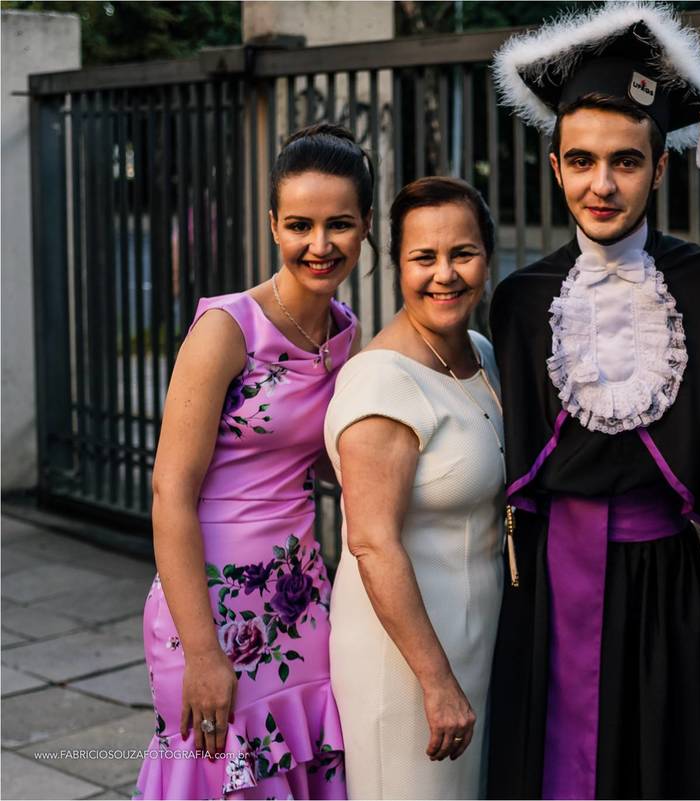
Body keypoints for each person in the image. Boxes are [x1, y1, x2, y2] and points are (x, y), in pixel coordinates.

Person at [486, 4, 700, 798]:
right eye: (582, 161)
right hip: (551, 584)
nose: (602, 184)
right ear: (557, 164)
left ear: (661, 168)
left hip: (665, 580)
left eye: (626, 162)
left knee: (660, 761)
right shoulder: (522, 300)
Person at [137, 123, 373, 799]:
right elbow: (169, 492)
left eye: (340, 225)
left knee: (299, 764)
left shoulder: (346, 332)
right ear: (273, 224)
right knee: (218, 775)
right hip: (208, 603)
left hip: (298, 598)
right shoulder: (227, 329)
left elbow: (328, 457)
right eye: (299, 224)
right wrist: (204, 652)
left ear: (364, 232)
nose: (319, 245)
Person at [322, 177, 503, 799]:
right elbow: (373, 544)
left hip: (472, 640)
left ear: (489, 255)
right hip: (403, 661)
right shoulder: (380, 382)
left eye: (463, 253)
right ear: (397, 265)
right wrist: (435, 681)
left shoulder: (477, 351)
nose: (445, 275)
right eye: (423, 258)